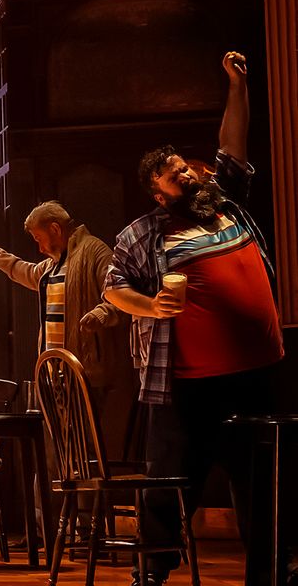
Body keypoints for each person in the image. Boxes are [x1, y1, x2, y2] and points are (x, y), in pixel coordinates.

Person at [103, 52, 285, 586]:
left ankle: (272, 566)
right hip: (190, 384)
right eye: (174, 174)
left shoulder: (225, 202)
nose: (187, 172)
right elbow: (113, 288)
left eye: (185, 165)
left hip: (257, 373)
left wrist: (237, 85)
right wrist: (150, 304)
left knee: (262, 480)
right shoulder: (144, 234)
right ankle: (154, 569)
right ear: (160, 193)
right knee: (169, 481)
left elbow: (233, 144)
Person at [0, 201, 133, 460]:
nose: (39, 247)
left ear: (56, 228)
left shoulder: (94, 252)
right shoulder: (53, 265)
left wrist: (102, 313)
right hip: (54, 373)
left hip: (85, 370)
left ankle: (87, 501)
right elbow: (23, 271)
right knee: (57, 449)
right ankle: (57, 501)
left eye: (40, 238)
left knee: (87, 447)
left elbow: (121, 296)